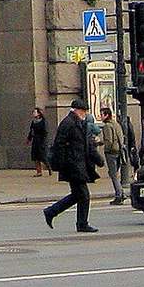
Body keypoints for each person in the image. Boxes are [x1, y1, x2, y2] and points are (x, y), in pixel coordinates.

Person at [42, 98, 98, 233]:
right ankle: (81, 223)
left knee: (78, 195)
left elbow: (84, 144)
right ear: (77, 110)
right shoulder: (68, 123)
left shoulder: (77, 122)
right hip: (72, 165)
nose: (85, 114)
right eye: (83, 111)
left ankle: (52, 212)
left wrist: (97, 158)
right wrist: (62, 164)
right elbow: (59, 144)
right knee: (83, 195)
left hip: (77, 164)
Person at [99, 106, 128, 205]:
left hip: (111, 152)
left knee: (113, 175)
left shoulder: (107, 126)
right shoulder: (116, 124)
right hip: (119, 151)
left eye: (102, 114)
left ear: (106, 115)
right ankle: (121, 193)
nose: (101, 116)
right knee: (115, 174)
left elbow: (109, 140)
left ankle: (119, 195)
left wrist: (100, 143)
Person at [27, 107, 50, 177]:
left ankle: (49, 168)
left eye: (35, 112)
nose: (33, 113)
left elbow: (45, 132)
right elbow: (31, 131)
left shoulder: (43, 121)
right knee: (35, 157)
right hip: (35, 141)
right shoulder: (33, 122)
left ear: (39, 113)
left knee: (42, 156)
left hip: (41, 141)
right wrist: (29, 139)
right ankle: (39, 171)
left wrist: (43, 140)